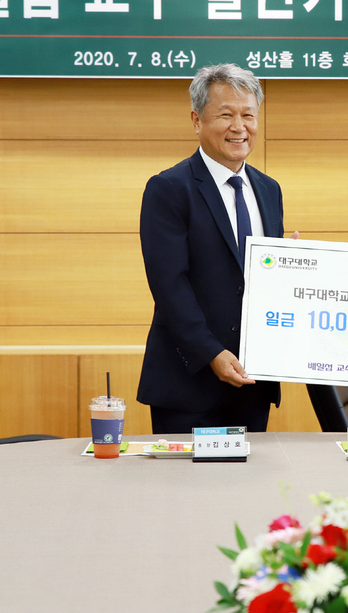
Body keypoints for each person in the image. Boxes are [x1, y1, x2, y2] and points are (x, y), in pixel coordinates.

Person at [137, 63, 293, 433]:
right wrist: (212, 353)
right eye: (226, 115)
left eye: (248, 115)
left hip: (252, 382)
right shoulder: (169, 189)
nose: (239, 127)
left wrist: (291, 265)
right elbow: (169, 285)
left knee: (252, 473)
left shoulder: (269, 189)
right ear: (197, 120)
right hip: (188, 384)